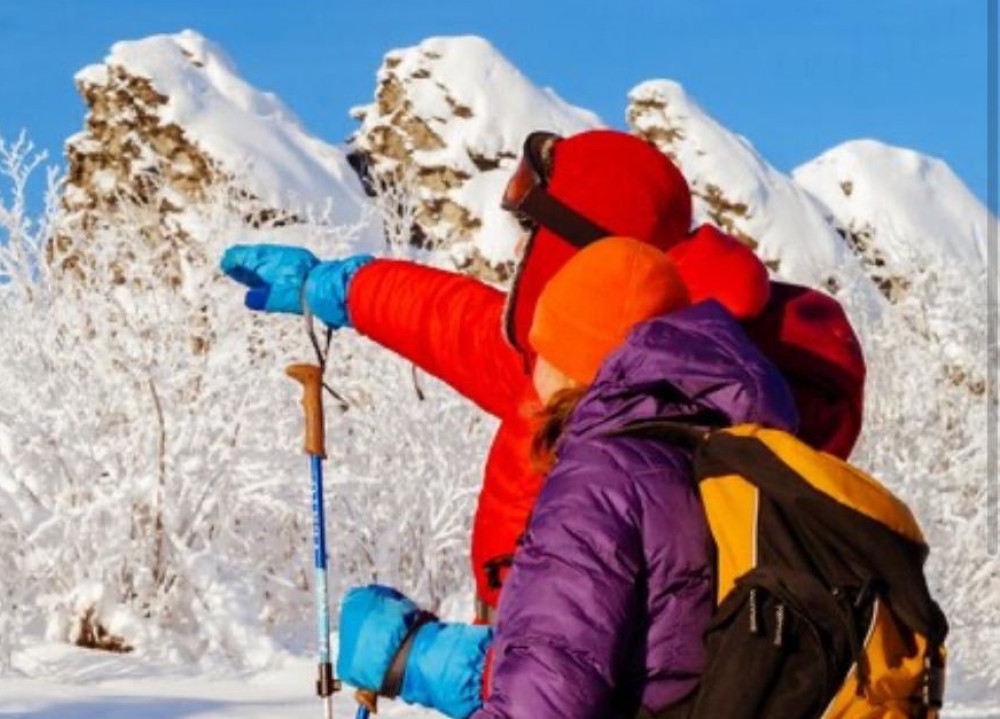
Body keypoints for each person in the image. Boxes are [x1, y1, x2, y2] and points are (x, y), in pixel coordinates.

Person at [221, 129, 865, 618]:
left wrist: (445, 666)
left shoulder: (672, 417)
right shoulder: (604, 365)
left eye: (532, 231)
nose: (517, 251)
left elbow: (603, 660)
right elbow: (456, 325)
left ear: (578, 250)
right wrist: (338, 286)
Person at [336, 237, 800, 718]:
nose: (533, 366)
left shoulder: (601, 481)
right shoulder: (710, 454)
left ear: (573, 363)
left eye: (543, 349)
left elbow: (541, 705)